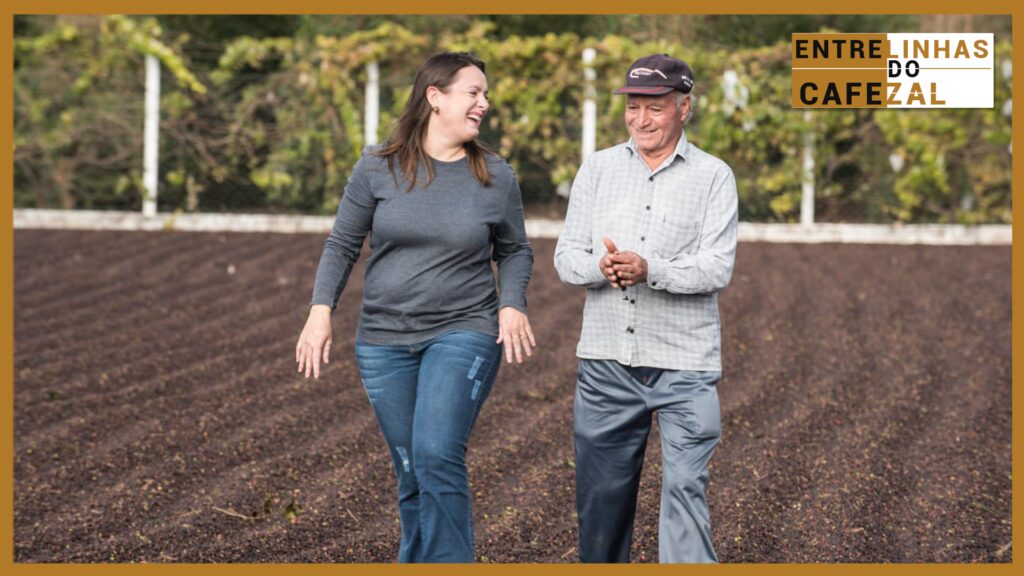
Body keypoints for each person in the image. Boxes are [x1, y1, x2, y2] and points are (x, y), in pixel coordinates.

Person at [295, 51, 535, 563]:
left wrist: (511, 304)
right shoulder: (377, 167)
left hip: (464, 329)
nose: (484, 104)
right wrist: (321, 310)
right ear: (435, 97)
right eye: (474, 92)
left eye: (485, 95)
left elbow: (514, 250)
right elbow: (342, 243)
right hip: (383, 341)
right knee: (411, 469)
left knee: (435, 455)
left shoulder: (495, 175)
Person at [554, 53, 738, 563]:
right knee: (602, 504)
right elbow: (567, 257)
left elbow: (715, 267)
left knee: (684, 488)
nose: (641, 119)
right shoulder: (597, 169)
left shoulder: (714, 177)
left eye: (654, 108)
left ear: (685, 108)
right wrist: (605, 267)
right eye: (633, 107)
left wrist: (649, 268)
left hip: (685, 367)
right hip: (607, 363)